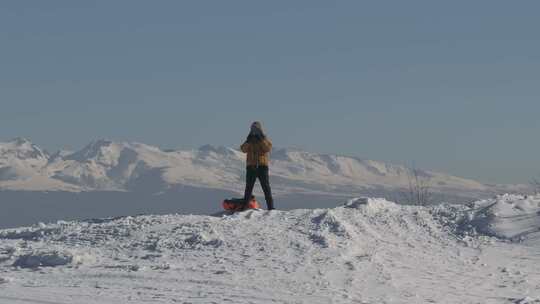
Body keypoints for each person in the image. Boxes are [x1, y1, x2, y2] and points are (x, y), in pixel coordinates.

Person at [240, 121, 275, 210]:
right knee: (248, 188)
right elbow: (243, 149)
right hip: (251, 166)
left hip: (262, 166)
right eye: (252, 129)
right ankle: (245, 207)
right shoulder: (249, 139)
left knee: (266, 187)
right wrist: (248, 140)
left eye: (256, 129)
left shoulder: (264, 139)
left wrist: (261, 139)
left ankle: (271, 207)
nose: (254, 131)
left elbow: (267, 148)